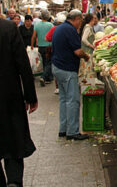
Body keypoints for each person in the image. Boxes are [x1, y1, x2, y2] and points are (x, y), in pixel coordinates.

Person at [0, 17, 38, 186]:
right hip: (9, 96)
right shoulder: (8, 28)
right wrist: (30, 96)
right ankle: (14, 182)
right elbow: (22, 63)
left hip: (10, 97)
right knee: (14, 141)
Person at [51, 9, 90, 140]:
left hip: (57, 67)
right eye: (80, 21)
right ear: (77, 19)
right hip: (67, 69)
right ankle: (72, 132)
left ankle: (63, 129)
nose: (80, 24)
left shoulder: (59, 28)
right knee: (73, 100)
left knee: (64, 99)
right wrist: (86, 56)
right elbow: (78, 52)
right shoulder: (70, 30)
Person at [31, 9, 54, 86]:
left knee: (44, 62)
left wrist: (32, 46)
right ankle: (44, 77)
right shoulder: (50, 25)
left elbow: (34, 36)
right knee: (49, 62)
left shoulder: (37, 25)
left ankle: (49, 77)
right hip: (49, 46)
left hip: (40, 46)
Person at [79, 14, 97, 82]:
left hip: (87, 51)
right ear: (91, 20)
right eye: (94, 19)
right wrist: (91, 45)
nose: (95, 21)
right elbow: (83, 39)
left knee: (86, 69)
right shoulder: (88, 28)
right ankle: (89, 85)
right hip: (87, 52)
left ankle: (86, 84)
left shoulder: (88, 27)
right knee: (88, 69)